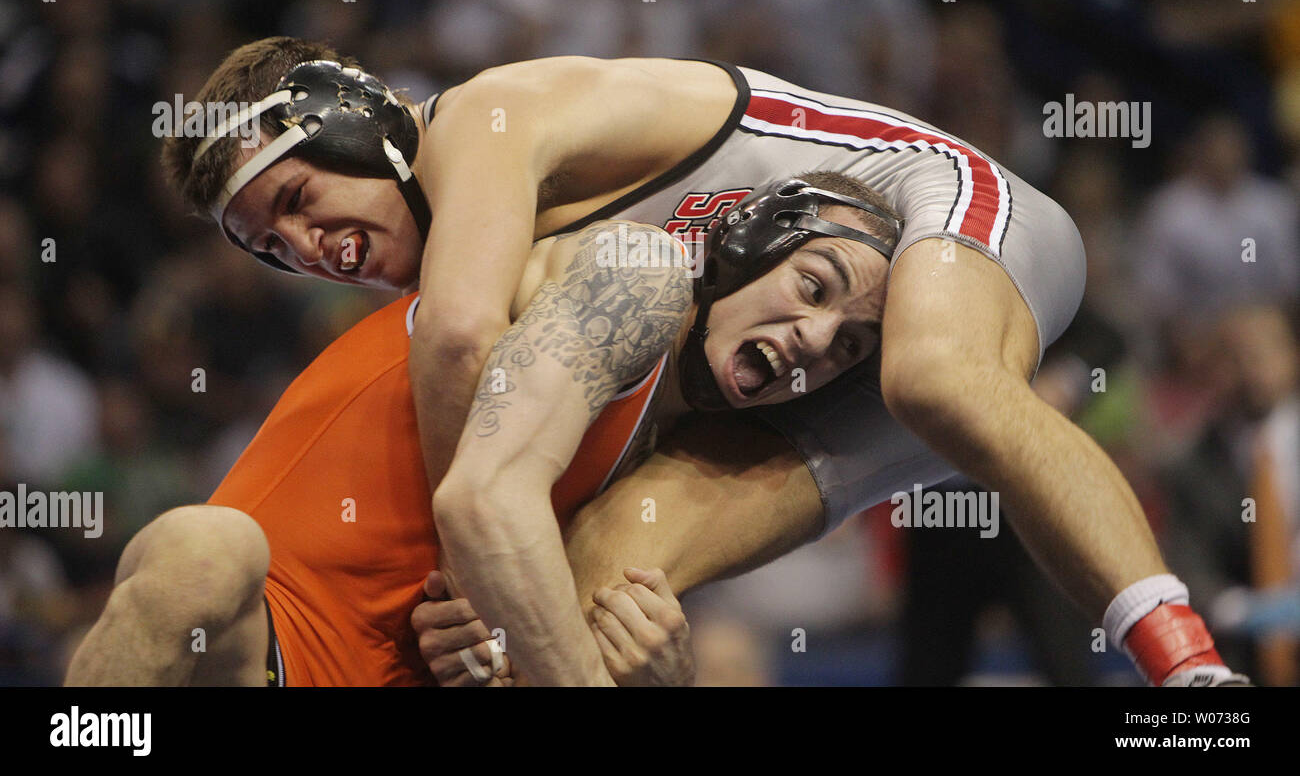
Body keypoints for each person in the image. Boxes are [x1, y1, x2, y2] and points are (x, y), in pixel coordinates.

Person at [163, 38, 1245, 685]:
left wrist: (466, 572)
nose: (307, 250)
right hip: (798, 362)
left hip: (926, 206)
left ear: (356, 127)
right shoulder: (501, 239)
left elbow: (456, 341)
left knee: (933, 375)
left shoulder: (478, 121)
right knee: (588, 598)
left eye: (297, 201)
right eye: (270, 247)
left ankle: (1189, 674)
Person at [66, 173, 899, 686]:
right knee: (203, 553)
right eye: (815, 288)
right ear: (749, 242)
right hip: (261, 643)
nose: (813, 342)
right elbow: (483, 502)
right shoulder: (637, 276)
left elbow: (527, 643)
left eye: (848, 347)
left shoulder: (696, 463)